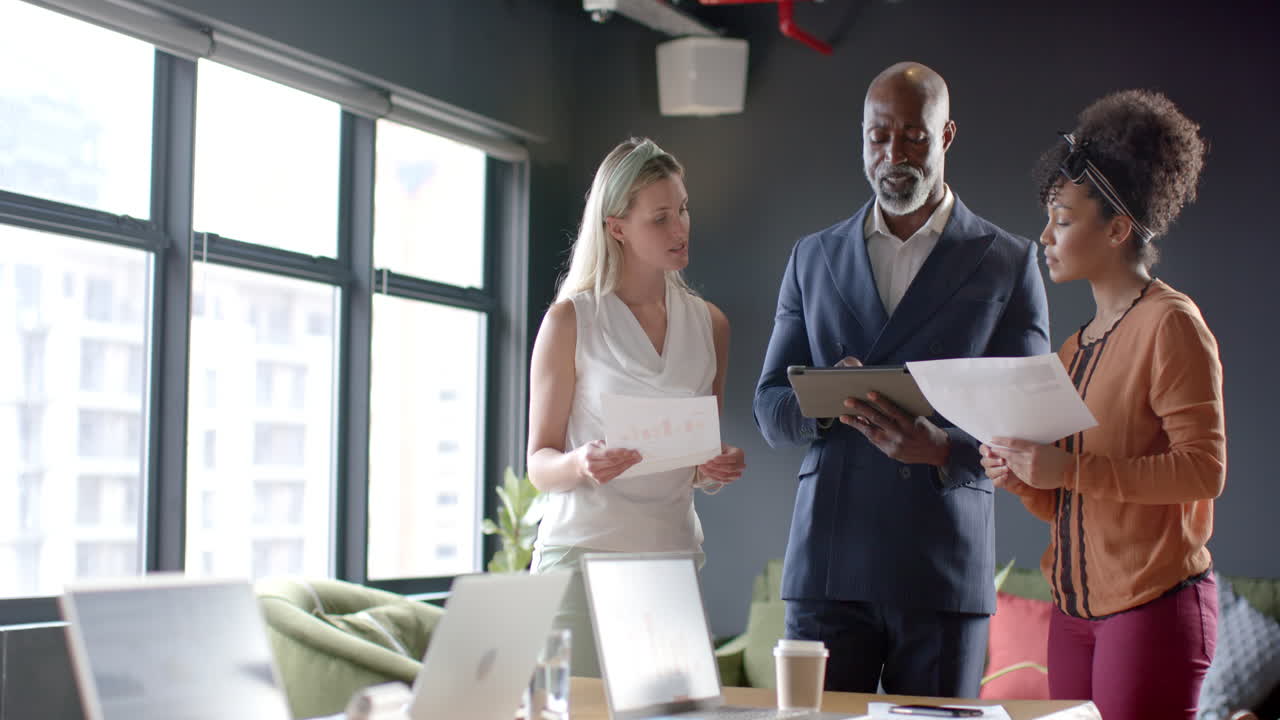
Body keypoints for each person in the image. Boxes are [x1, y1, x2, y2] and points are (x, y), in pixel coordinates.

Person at [753, 61, 1051, 697]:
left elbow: (1030, 431)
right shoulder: (813, 256)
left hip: (942, 567)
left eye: (913, 136)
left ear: (945, 137)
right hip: (829, 561)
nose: (894, 154)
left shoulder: (1008, 262)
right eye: (877, 136)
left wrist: (941, 448)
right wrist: (827, 399)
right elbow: (769, 408)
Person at [980, 90, 1223, 719]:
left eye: (1062, 218)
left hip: (1154, 610)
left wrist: (1066, 471)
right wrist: (1021, 475)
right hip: (1074, 614)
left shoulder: (1171, 325)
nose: (1045, 236)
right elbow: (1069, 498)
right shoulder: (1072, 349)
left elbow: (1203, 470)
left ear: (1117, 229)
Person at [526, 137, 746, 677]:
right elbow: (539, 463)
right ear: (616, 226)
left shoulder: (710, 324)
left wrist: (712, 466)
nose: (681, 229)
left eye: (684, 210)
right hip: (580, 558)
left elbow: (696, 458)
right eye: (661, 218)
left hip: (670, 560)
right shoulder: (570, 321)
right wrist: (580, 464)